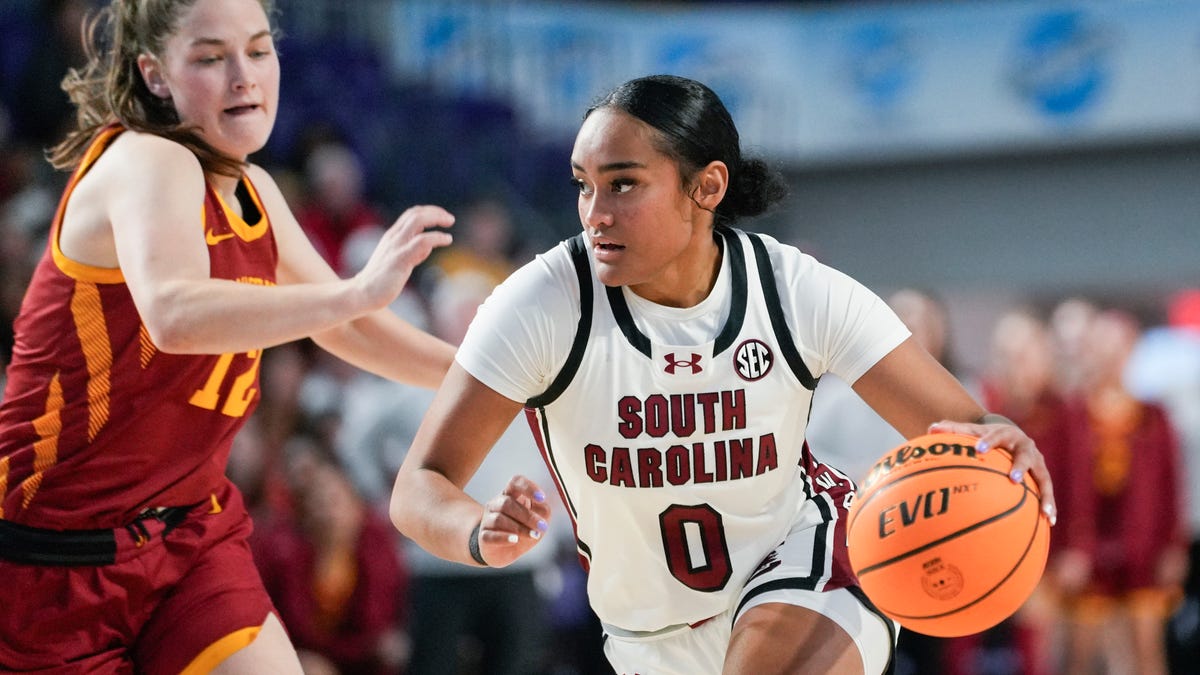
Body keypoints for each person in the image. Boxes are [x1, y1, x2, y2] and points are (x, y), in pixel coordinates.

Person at [389, 74, 1057, 675]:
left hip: (803, 564)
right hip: (642, 633)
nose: (595, 212)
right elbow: (420, 484)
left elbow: (967, 425)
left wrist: (1002, 440)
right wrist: (478, 531)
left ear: (705, 186)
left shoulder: (794, 290)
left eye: (623, 183)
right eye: (583, 184)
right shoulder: (541, 303)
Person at [0, 0, 455, 672]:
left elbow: (349, 325)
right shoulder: (145, 160)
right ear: (155, 74)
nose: (244, 75)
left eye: (259, 49)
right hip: (54, 558)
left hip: (188, 537)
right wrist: (354, 289)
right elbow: (176, 313)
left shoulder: (256, 190)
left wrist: (513, 383)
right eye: (212, 57)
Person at [1056, 309, 1188, 675]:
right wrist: (1064, 546)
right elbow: (1061, 485)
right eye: (1102, 346)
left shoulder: (1153, 415)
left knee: (1146, 651)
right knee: (1080, 655)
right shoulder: (1073, 415)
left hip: (1142, 548)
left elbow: (1169, 485)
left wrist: (1173, 545)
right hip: (1087, 546)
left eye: (1119, 346)